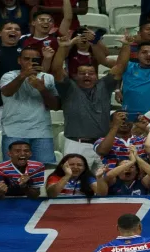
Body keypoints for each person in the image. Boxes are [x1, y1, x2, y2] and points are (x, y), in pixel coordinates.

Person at [51, 33, 131, 171]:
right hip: (76, 144)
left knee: (104, 182)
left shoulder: (104, 86)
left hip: (102, 144)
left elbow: (120, 66)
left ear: (96, 76)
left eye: (91, 73)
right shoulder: (69, 88)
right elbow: (56, 69)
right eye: (82, 73)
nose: (87, 75)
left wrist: (126, 45)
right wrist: (62, 48)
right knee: (74, 181)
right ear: (75, 76)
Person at [0, 47, 60, 164]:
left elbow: (55, 106)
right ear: (19, 60)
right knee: (13, 171)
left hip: (42, 132)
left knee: (45, 170)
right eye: (26, 59)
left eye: (34, 59)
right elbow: (7, 92)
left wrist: (42, 89)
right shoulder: (9, 76)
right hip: (14, 132)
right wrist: (23, 75)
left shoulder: (47, 78)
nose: (30, 62)